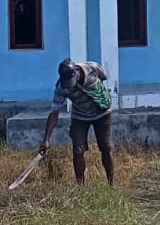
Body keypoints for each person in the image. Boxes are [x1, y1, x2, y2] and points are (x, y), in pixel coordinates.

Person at [39, 58, 115, 186]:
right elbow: (54, 113)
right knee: (78, 150)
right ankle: (81, 188)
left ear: (77, 70)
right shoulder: (61, 87)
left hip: (102, 113)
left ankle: (111, 185)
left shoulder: (92, 68)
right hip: (80, 116)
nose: (71, 85)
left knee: (106, 147)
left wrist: (97, 98)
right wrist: (46, 139)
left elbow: (103, 78)